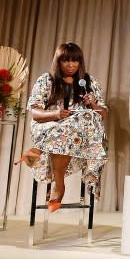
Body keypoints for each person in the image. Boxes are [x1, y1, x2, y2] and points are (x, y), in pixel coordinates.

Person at [16, 42, 108, 212]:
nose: (71, 65)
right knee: (67, 130)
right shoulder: (46, 80)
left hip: (80, 132)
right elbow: (35, 112)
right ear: (58, 62)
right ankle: (59, 185)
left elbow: (102, 114)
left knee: (84, 118)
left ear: (80, 62)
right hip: (49, 126)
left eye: (75, 61)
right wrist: (56, 115)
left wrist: (92, 103)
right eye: (65, 60)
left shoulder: (88, 81)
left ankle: (38, 151)